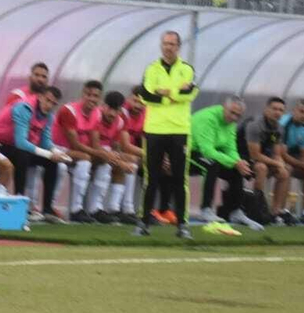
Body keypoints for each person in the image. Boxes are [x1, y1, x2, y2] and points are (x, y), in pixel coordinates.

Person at [134, 30, 197, 239]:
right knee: (151, 178)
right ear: (161, 46)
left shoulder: (186, 69)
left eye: (172, 44)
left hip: (179, 130)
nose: (168, 47)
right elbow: (145, 95)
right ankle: (143, 223)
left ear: (178, 47)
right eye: (165, 43)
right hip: (155, 130)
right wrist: (172, 94)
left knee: (180, 179)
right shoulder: (152, 69)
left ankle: (182, 225)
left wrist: (167, 92)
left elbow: (190, 93)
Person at [0, 85, 72, 221]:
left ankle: (47, 209)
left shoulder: (49, 116)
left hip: (15, 146)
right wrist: (48, 154)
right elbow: (21, 142)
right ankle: (20, 203)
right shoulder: (24, 108)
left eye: (53, 103)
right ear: (40, 97)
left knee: (52, 162)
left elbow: (46, 142)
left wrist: (57, 153)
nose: (49, 105)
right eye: (48, 100)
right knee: (22, 155)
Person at [189, 97, 254, 232]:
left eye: (238, 115)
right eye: (232, 113)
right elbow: (207, 151)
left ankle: (236, 211)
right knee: (211, 164)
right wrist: (235, 162)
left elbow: (230, 148)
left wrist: (239, 162)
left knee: (237, 169)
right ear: (224, 107)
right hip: (188, 152)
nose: (234, 117)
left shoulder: (231, 123)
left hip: (209, 154)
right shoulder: (207, 118)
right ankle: (206, 209)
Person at [50, 80, 107, 222]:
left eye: (96, 96)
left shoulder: (97, 114)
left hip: (77, 153)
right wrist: (100, 153)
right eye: (89, 95)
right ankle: (72, 209)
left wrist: (109, 156)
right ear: (83, 94)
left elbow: (95, 143)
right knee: (84, 159)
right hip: (58, 149)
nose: (92, 99)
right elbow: (74, 144)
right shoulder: (68, 111)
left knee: (104, 162)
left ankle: (95, 209)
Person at [86, 91, 139, 222]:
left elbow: (115, 147)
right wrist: (119, 162)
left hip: (104, 153)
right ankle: (94, 209)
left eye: (116, 110)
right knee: (107, 160)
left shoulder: (120, 121)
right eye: (110, 108)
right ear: (103, 106)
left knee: (131, 161)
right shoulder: (96, 115)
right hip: (88, 152)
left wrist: (120, 159)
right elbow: (96, 146)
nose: (112, 114)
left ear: (121, 110)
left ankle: (117, 209)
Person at [243, 97, 291, 224]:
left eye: (281, 110)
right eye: (274, 109)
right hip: (244, 158)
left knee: (284, 173)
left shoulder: (280, 128)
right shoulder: (254, 125)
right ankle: (257, 209)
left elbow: (277, 152)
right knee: (261, 168)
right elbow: (255, 155)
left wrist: (280, 163)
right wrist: (277, 163)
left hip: (265, 158)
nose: (277, 112)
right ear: (266, 109)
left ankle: (276, 212)